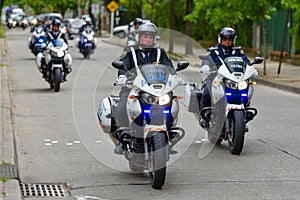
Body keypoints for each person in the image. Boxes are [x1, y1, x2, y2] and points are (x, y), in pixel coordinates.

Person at [114, 22, 174, 154]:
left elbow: (169, 68)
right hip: (133, 87)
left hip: (156, 89)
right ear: (139, 37)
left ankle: (168, 133)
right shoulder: (129, 51)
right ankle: (122, 140)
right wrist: (122, 76)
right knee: (122, 105)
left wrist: (175, 76)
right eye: (145, 37)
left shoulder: (159, 52)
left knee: (170, 104)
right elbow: (123, 66)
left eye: (150, 37)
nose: (147, 39)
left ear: (154, 39)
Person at [199, 27, 254, 128]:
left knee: (246, 89)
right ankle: (204, 116)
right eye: (225, 39)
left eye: (230, 39)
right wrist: (205, 66)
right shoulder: (213, 51)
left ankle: (243, 115)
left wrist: (252, 69)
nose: (227, 41)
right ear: (221, 39)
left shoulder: (238, 51)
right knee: (207, 90)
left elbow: (246, 61)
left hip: (234, 79)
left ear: (233, 40)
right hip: (216, 78)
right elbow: (206, 59)